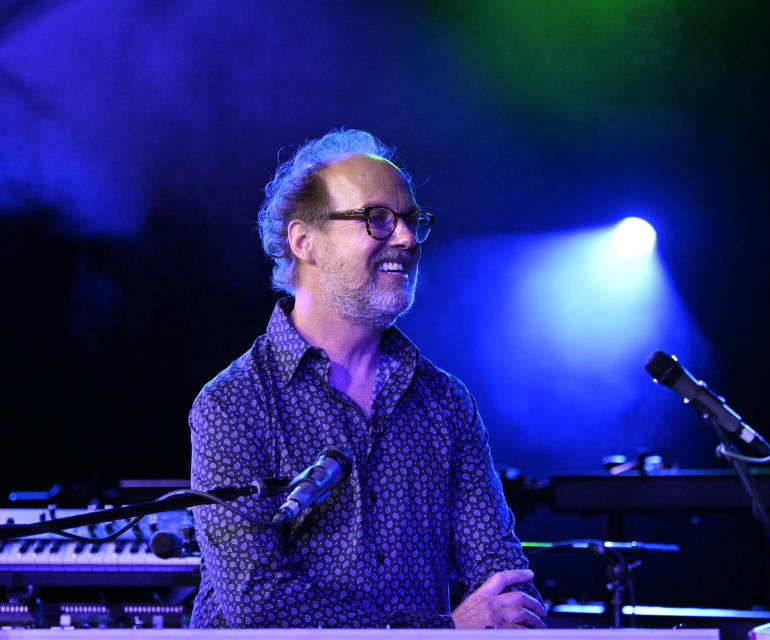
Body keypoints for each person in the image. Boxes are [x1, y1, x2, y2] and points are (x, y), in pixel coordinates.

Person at [188, 129, 545, 629]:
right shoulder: (233, 404)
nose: (403, 237)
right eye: (376, 219)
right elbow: (258, 603)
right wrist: (441, 632)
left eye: (410, 220)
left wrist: (506, 617)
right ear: (304, 241)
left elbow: (501, 579)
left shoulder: (444, 402)